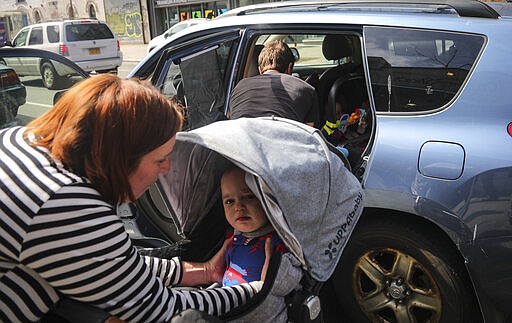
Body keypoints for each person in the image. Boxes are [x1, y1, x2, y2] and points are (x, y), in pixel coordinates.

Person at [0, 74, 269, 322]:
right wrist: (259, 289)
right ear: (121, 159)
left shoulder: (20, 139)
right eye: (161, 159)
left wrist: (204, 271)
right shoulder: (65, 203)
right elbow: (161, 310)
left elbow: (117, 264)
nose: (167, 169)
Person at [220, 166, 287, 286]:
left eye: (249, 197)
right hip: (224, 295)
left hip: (255, 300)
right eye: (229, 201)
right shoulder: (231, 235)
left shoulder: (277, 241)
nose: (238, 207)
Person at [228, 40, 320, 127]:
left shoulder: (238, 88)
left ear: (260, 70)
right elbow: (308, 131)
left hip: (242, 142)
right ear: (289, 67)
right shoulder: (305, 89)